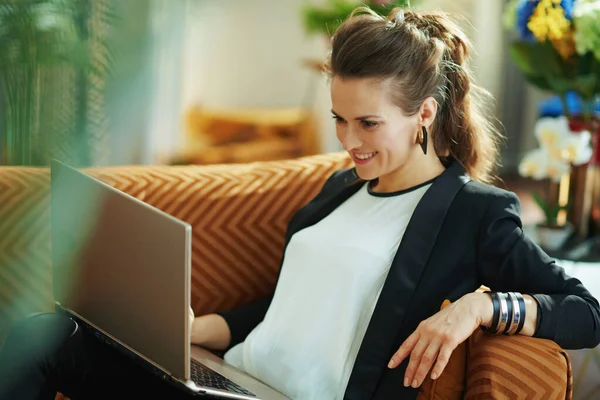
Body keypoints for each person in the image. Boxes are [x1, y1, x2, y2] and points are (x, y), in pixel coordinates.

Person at [1, 6, 599, 400]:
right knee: (52, 333)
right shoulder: (340, 189)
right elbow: (289, 304)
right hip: (229, 380)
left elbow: (586, 310)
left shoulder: (475, 212)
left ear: (424, 114)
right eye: (338, 119)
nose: (348, 141)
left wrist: (482, 307)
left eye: (367, 123)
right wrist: (194, 329)